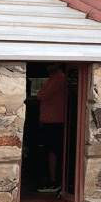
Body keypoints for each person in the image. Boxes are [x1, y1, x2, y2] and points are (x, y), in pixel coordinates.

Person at [34, 63, 66, 193]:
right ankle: (52, 180)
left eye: (50, 64)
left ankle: (54, 181)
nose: (47, 66)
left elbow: (42, 95)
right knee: (49, 150)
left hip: (55, 120)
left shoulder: (59, 77)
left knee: (53, 150)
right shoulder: (53, 78)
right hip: (50, 119)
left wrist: (40, 92)